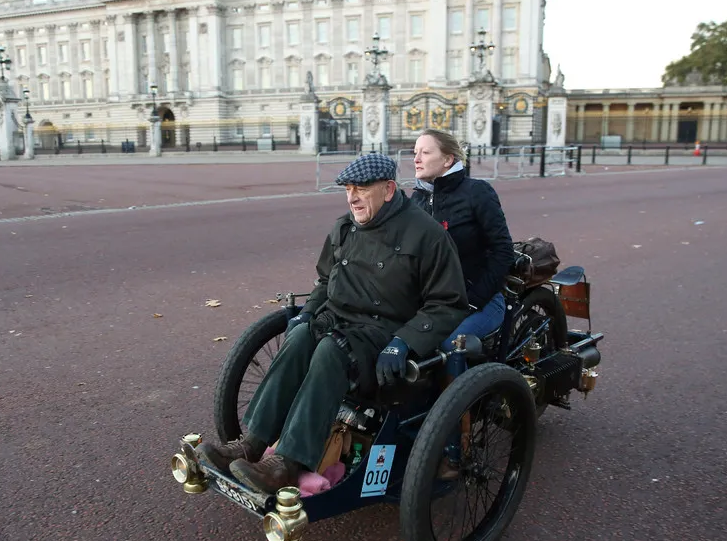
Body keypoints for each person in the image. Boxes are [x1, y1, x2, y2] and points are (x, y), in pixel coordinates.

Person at [197, 154, 468, 494]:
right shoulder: (343, 228)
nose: (352, 197)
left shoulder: (427, 235)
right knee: (298, 340)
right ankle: (252, 443)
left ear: (387, 190)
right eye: (348, 189)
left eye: (361, 189)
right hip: (336, 320)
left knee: (330, 350)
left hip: (383, 334)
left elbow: (448, 303)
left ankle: (288, 462)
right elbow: (325, 281)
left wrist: (405, 342)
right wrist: (307, 314)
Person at [410, 129, 515, 349]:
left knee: (449, 347)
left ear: (448, 159)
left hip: (480, 299)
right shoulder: (418, 198)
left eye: (425, 153)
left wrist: (474, 300)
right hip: (434, 301)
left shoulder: (477, 192)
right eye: (415, 152)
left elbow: (503, 250)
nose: (416, 159)